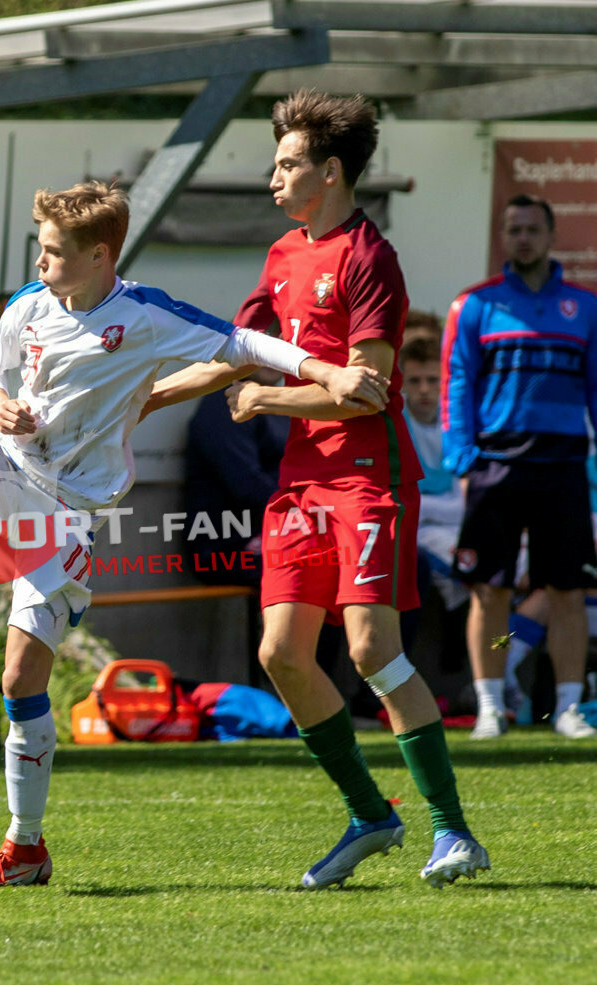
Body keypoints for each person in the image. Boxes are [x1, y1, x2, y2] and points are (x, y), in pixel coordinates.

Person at [0, 179, 389, 889]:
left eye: (55, 252)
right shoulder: (32, 302)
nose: (41, 262)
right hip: (16, 472)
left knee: (21, 680)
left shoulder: (143, 315)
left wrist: (326, 370)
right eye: (40, 248)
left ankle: (25, 849)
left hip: (69, 514)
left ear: (100, 255)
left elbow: (242, 342)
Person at [147, 90, 489, 889]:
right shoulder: (281, 256)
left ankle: (453, 830)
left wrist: (268, 398)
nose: (273, 177)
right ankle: (371, 815)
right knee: (281, 654)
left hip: (368, 477)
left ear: (330, 172)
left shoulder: (370, 258)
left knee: (371, 648)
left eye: (287, 163)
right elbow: (238, 355)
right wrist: (147, 398)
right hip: (300, 485)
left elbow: (366, 389)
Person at [441, 194, 597, 740]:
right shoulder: (475, 306)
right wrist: (462, 460)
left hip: (564, 467)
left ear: (551, 235)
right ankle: (489, 706)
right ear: (502, 237)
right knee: (490, 589)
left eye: (532, 229)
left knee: (568, 592)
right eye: (514, 229)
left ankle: (570, 708)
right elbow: (457, 384)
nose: (522, 238)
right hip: (495, 467)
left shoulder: (587, 307)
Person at [399, 312, 469, 671]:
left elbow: (465, 501)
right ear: (402, 383)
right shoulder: (396, 426)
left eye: (432, 380)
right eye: (415, 381)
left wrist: (431, 508)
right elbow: (404, 507)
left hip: (453, 528)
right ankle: (454, 671)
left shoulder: (455, 423)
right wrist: (438, 509)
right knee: (465, 569)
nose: (424, 389)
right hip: (417, 534)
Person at [184, 367, 291, 586]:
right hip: (227, 546)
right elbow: (246, 485)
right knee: (315, 571)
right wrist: (303, 515)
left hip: (282, 531)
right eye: (263, 346)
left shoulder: (283, 405)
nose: (271, 360)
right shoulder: (223, 405)